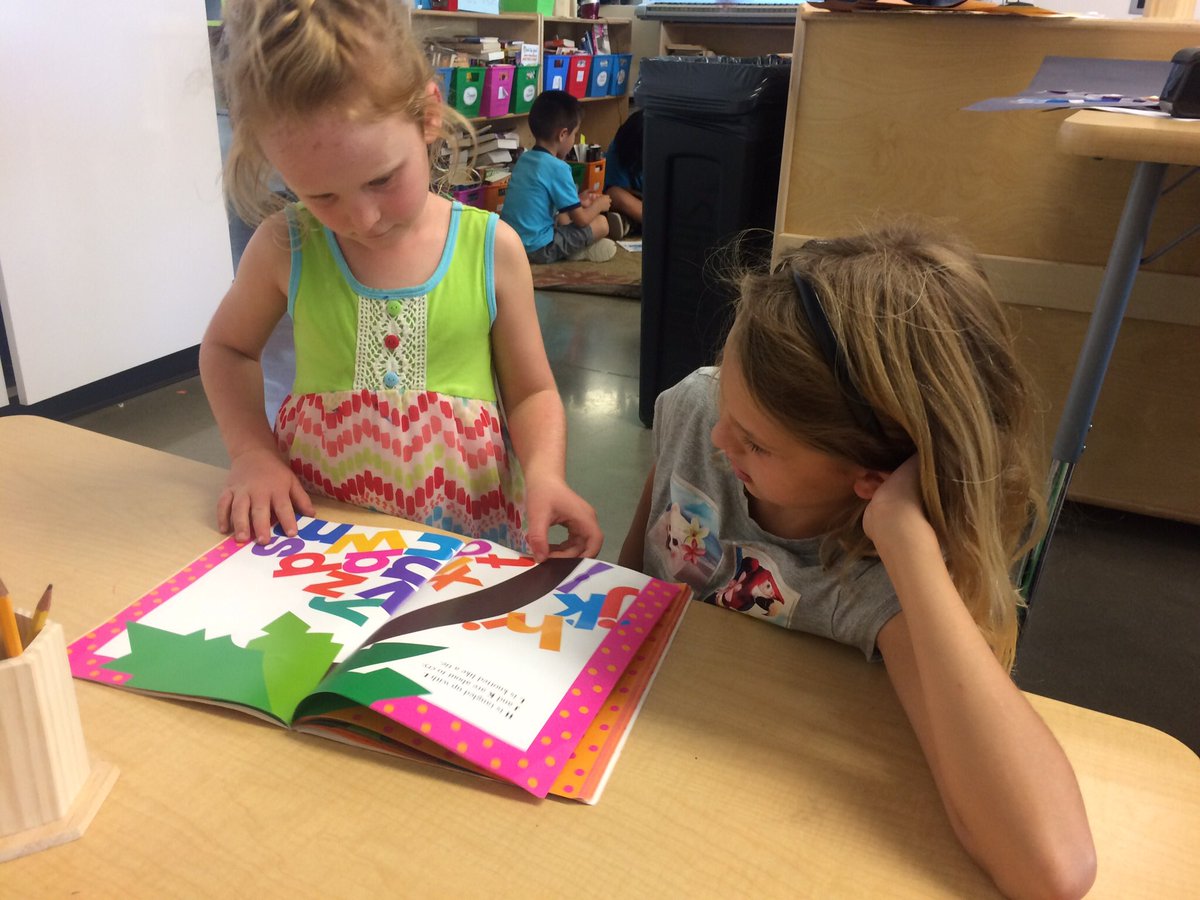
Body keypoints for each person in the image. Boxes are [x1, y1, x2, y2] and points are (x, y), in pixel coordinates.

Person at [619, 223, 1097, 899]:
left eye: (756, 443)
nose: (720, 434)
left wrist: (907, 541)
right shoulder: (702, 408)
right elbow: (630, 590)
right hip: (644, 769)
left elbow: (1052, 867)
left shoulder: (877, 576)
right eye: (727, 396)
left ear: (871, 468)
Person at [200, 0, 602, 562]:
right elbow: (227, 348)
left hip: (463, 541)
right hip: (321, 543)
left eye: (382, 179)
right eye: (321, 195)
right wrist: (250, 453)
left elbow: (532, 391)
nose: (362, 219)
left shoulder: (491, 249)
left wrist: (546, 474)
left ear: (428, 116)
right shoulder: (283, 246)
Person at [500, 90, 619, 264]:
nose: (574, 140)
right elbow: (581, 220)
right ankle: (576, 251)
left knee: (563, 217)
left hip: (511, 244)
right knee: (601, 223)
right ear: (563, 134)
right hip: (538, 249)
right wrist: (599, 205)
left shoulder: (524, 159)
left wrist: (578, 200)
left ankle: (572, 248)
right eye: (575, 134)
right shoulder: (559, 168)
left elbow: (542, 202)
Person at [603, 108, 643, 234]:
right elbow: (614, 192)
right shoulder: (621, 146)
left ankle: (632, 224)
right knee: (614, 195)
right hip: (637, 200)